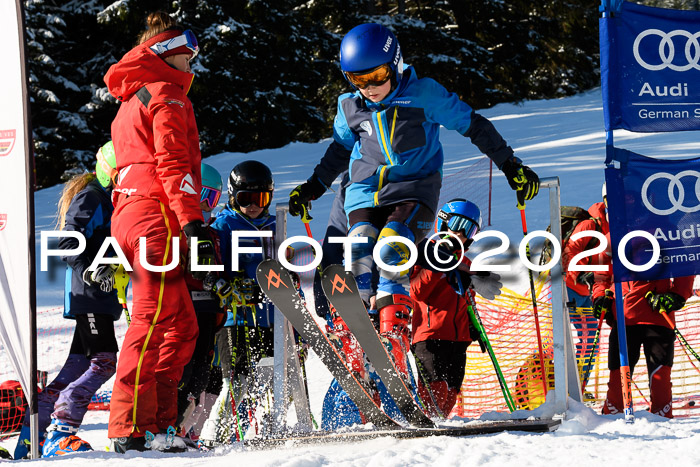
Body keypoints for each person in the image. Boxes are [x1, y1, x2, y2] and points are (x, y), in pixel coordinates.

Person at [288, 23, 539, 379]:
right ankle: (355, 336)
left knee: (392, 248)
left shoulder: (424, 95)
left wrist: (511, 165)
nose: (370, 88)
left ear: (396, 63)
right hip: (364, 191)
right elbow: (339, 150)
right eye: (358, 80)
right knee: (359, 246)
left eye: (376, 76)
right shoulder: (350, 108)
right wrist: (312, 188)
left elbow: (474, 125)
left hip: (415, 189)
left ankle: (393, 335)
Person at [103, 11, 214, 452]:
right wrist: (192, 222)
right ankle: (130, 425)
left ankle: (159, 424)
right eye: (189, 55)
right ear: (167, 54)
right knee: (152, 320)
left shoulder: (131, 99)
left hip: (131, 213)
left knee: (181, 324)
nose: (193, 65)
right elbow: (172, 163)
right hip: (156, 215)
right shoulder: (167, 94)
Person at [15, 142, 121, 458]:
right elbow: (69, 239)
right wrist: (89, 269)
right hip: (87, 294)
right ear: (107, 170)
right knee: (104, 361)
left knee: (75, 367)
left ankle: (27, 439)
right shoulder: (93, 196)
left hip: (102, 296)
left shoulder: (113, 200)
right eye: (120, 174)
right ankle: (62, 430)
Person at [200, 160, 275, 444]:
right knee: (238, 381)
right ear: (233, 196)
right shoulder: (224, 225)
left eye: (261, 198)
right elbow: (213, 270)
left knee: (272, 376)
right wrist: (230, 285)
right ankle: (217, 435)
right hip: (237, 319)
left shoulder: (273, 223)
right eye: (246, 199)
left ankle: (266, 429)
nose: (254, 205)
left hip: (271, 317)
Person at [411, 199, 501, 417]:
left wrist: (471, 327)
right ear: (442, 224)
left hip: (457, 340)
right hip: (430, 336)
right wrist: (439, 265)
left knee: (452, 391)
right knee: (435, 389)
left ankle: (441, 427)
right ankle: (428, 424)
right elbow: (415, 291)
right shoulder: (424, 253)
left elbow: (467, 299)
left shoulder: (466, 264)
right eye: (457, 224)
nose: (460, 233)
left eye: (468, 228)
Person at [592, 240, 693, 418]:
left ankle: (661, 417)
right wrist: (600, 296)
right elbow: (601, 273)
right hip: (623, 316)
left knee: (660, 374)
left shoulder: (665, 230)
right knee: (618, 373)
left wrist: (677, 295)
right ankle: (612, 415)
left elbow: (683, 262)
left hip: (657, 313)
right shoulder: (614, 232)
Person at [176, 163, 227, 442]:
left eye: (212, 199)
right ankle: (174, 425)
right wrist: (207, 278)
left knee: (203, 373)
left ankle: (186, 430)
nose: (206, 206)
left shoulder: (213, 233)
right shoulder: (185, 232)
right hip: (189, 310)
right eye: (201, 197)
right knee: (187, 368)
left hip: (211, 312)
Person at [561, 185, 609, 373]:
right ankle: (556, 383)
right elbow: (569, 253)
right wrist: (582, 276)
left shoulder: (615, 224)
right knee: (565, 340)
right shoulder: (590, 225)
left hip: (591, 293)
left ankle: (580, 385)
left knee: (590, 341)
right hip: (571, 290)